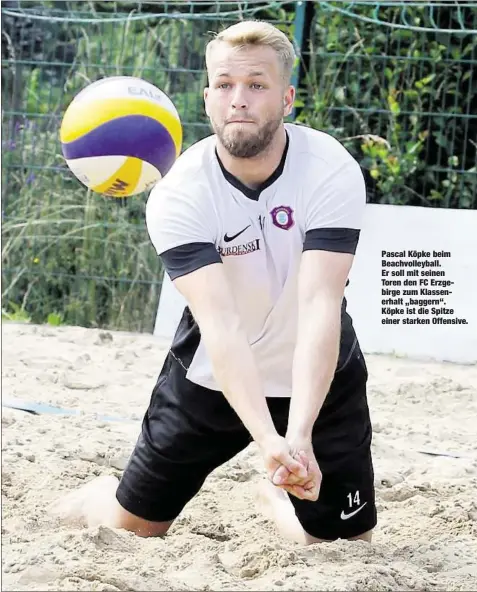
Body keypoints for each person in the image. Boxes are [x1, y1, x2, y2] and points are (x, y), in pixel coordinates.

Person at [53, 19, 376, 545]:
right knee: (131, 531)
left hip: (318, 377)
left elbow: (321, 304)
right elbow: (221, 326)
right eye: (225, 85)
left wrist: (295, 438)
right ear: (207, 99)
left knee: (343, 548)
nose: (238, 99)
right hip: (213, 377)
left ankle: (273, 495)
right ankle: (98, 494)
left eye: (256, 84)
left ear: (287, 97)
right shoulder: (180, 193)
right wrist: (266, 438)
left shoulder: (330, 169)